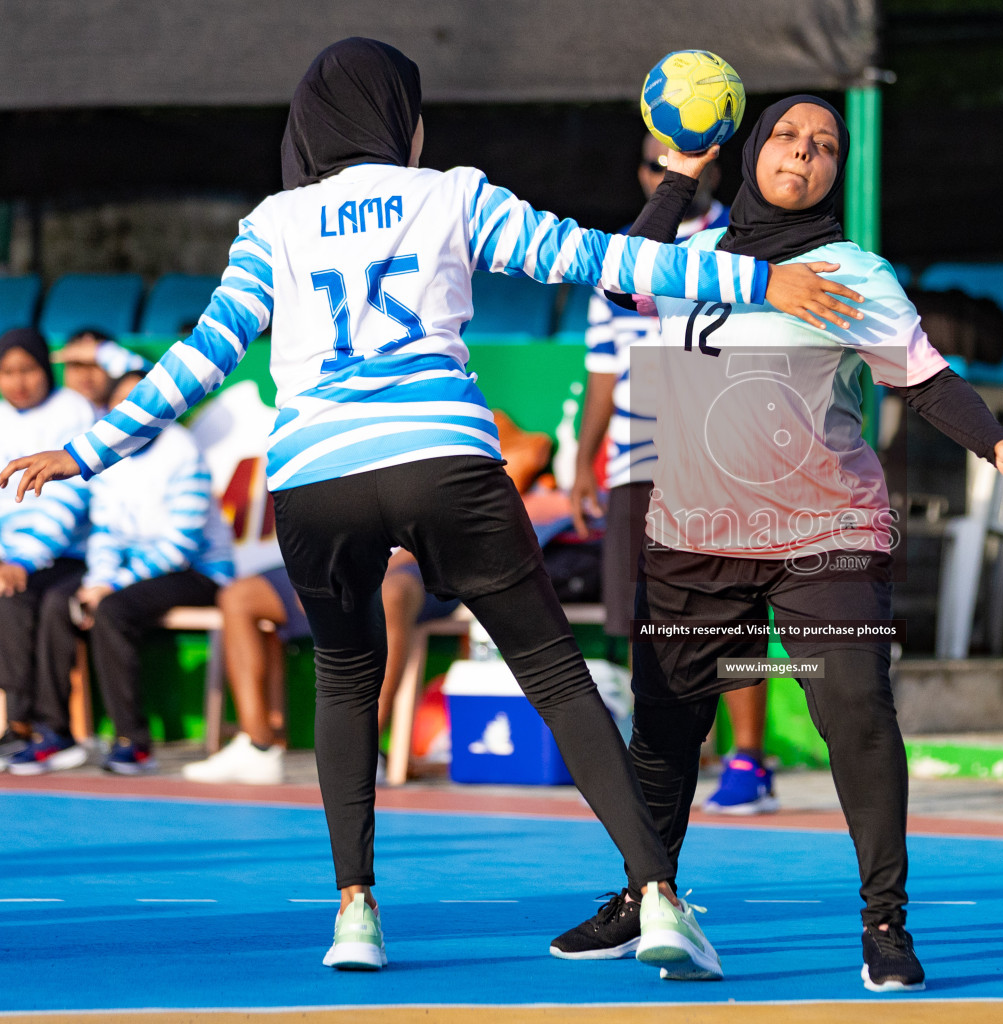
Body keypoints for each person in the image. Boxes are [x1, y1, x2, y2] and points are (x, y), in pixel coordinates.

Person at [1, 39, 862, 977]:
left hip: (315, 475)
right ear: (397, 118)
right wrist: (757, 277)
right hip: (442, 459)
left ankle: (354, 915)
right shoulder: (452, 193)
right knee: (558, 676)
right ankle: (656, 894)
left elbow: (202, 356)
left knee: (343, 678)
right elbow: (598, 260)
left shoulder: (274, 222)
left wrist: (82, 450)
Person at [548, 97, 1003, 993]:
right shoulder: (692, 260)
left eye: (826, 146)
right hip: (699, 527)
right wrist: (681, 170)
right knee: (668, 719)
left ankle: (884, 923)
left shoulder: (852, 271)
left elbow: (928, 377)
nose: (806, 153)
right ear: (750, 154)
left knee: (857, 708)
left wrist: (997, 444)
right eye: (788, 138)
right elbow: (618, 277)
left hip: (825, 525)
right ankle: (645, 893)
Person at [570, 134, 777, 815]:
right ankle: (658, 757)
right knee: (644, 620)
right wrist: (582, 463)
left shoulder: (741, 242)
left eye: (690, 157)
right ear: (643, 171)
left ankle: (749, 759)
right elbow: (602, 373)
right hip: (636, 459)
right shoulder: (622, 255)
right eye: (661, 160)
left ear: (714, 166)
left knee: (736, 612)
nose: (677, 169)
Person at [10, 369, 234, 776]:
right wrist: (98, 580)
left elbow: (179, 547)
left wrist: (111, 585)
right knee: (63, 599)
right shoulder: (110, 456)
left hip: (199, 573)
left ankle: (134, 742)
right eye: (124, 406)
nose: (134, 413)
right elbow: (105, 533)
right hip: (133, 570)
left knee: (113, 609)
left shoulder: (184, 452)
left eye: (143, 402)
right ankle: (54, 734)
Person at [181, 549, 459, 786]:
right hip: (340, 566)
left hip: (420, 567)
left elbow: (431, 528)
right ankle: (258, 747)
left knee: (387, 595)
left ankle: (362, 752)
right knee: (239, 596)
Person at [0, 327, 96, 764]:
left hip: (69, 553)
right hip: (11, 557)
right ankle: (17, 725)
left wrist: (23, 558)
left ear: (45, 369)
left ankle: (46, 727)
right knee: (10, 594)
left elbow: (70, 496)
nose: (18, 381)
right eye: (7, 372)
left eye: (28, 369)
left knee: (37, 600)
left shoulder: (72, 410)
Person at [54, 329, 147, 415]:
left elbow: (150, 378)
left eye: (95, 364)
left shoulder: (124, 413)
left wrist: (101, 352)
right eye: (77, 365)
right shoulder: (50, 412)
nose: (85, 374)